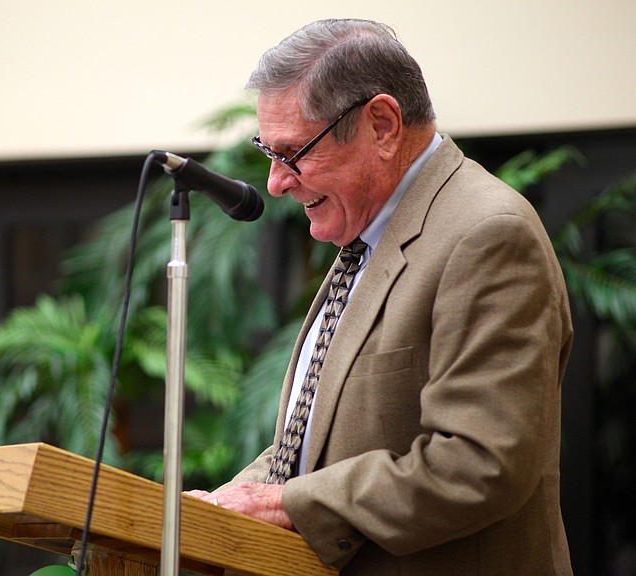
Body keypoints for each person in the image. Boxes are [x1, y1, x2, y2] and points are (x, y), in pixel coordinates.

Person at [187, 18, 574, 575]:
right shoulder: (371, 238)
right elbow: (311, 447)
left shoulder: (487, 233)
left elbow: (478, 463)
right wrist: (217, 508)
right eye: (266, 152)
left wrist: (285, 503)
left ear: (383, 125)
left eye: (293, 151)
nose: (275, 182)